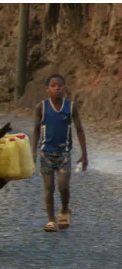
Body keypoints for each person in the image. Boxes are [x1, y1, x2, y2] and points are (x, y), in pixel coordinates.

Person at [32, 74, 88, 232]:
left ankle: (64, 209)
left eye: (60, 85)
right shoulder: (41, 107)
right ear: (47, 89)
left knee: (63, 186)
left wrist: (84, 154)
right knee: (48, 187)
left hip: (63, 154)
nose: (57, 88)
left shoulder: (71, 107)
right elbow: (36, 129)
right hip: (46, 154)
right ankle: (51, 220)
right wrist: (33, 150)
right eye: (53, 85)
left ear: (64, 88)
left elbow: (79, 130)